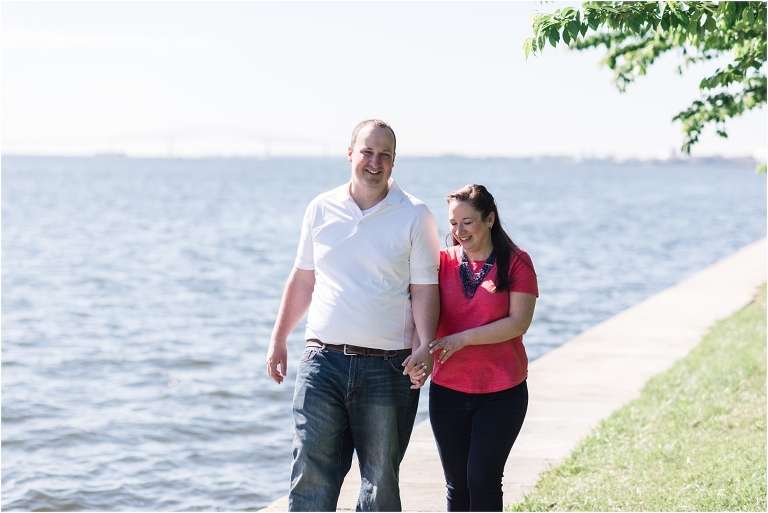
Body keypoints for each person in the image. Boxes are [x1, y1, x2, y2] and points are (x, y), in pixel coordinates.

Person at [265, 119, 440, 512]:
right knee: (310, 476)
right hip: (322, 362)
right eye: (367, 152)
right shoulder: (320, 208)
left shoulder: (415, 214)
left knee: (380, 486)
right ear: (350, 154)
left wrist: (426, 346)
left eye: (384, 155)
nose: (374, 162)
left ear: (394, 161)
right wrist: (278, 339)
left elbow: (425, 288)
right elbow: (303, 278)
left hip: (388, 368)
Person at [404, 184, 538, 511]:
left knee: (483, 480)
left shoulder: (516, 261)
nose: (459, 231)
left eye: (467, 222)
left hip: (502, 392)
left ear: (489, 219)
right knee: (457, 486)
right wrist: (419, 355)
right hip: (448, 392)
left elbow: (518, 323)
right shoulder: (440, 262)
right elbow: (422, 314)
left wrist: (461, 338)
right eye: (453, 223)